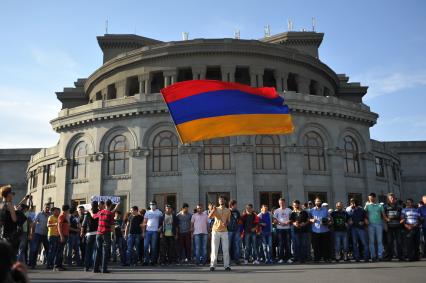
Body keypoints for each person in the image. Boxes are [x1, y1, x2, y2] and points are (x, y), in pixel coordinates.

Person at [91, 199, 118, 273]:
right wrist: (114, 235)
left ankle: (95, 268)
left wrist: (90, 211)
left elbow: (93, 216)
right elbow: (112, 226)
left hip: (98, 233)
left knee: (98, 251)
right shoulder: (110, 213)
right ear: (111, 205)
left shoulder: (101, 212)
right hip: (106, 234)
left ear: (105, 205)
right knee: (105, 252)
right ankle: (104, 269)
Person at [208, 195, 231, 271]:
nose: (221, 201)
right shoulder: (215, 209)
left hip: (224, 231)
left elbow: (228, 221)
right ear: (218, 201)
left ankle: (226, 266)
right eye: (219, 200)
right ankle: (212, 265)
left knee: (225, 249)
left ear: (225, 201)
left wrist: (226, 224)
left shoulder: (228, 210)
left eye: (222, 200)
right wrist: (213, 210)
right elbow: (209, 217)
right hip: (215, 231)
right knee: (214, 249)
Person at [364, 193, 386, 261]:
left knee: (379, 241)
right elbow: (364, 214)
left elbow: (383, 215)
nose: (370, 199)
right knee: (371, 241)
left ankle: (380, 256)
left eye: (371, 198)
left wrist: (387, 221)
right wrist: (365, 220)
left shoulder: (380, 205)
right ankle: (373, 256)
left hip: (379, 224)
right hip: (370, 225)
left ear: (374, 198)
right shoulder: (367, 205)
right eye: (369, 198)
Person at [309, 197, 332, 262]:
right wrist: (311, 220)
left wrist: (328, 220)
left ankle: (326, 258)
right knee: (316, 246)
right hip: (315, 231)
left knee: (325, 246)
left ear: (321, 202)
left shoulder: (325, 210)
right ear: (315, 202)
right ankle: (317, 258)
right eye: (317, 201)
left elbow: (330, 218)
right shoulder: (312, 210)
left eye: (319, 201)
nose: (318, 202)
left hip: (325, 230)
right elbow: (308, 219)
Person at [28, 203, 50, 269]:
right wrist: (31, 233)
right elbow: (33, 223)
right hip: (38, 234)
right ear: (43, 207)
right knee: (35, 249)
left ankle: (49, 264)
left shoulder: (50, 214)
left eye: (48, 207)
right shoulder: (39, 214)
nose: (47, 208)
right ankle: (32, 264)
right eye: (46, 207)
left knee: (48, 249)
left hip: (46, 234)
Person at [383, 193, 403, 261]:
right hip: (389, 227)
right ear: (388, 199)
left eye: (393, 198)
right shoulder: (385, 207)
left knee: (399, 242)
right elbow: (384, 216)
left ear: (395, 198)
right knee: (389, 242)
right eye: (390, 198)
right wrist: (385, 224)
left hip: (398, 227)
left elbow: (402, 216)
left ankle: (400, 257)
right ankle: (389, 257)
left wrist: (401, 221)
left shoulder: (399, 207)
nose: (392, 199)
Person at [142, 201, 163, 266]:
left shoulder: (159, 212)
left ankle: (153, 260)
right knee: (145, 247)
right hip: (148, 231)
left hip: (155, 231)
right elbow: (144, 222)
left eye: (153, 204)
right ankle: (146, 260)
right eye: (151, 204)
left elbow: (162, 222)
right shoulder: (147, 212)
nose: (152, 205)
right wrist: (143, 232)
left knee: (153, 247)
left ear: (156, 205)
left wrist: (160, 228)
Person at [273, 198, 292, 263]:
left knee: (288, 244)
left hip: (287, 228)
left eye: (283, 202)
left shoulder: (289, 210)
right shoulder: (276, 211)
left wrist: (287, 222)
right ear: (279, 203)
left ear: (285, 202)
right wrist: (280, 223)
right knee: (280, 244)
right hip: (279, 229)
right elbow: (274, 220)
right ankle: (280, 258)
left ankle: (288, 258)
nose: (281, 204)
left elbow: (292, 219)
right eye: (280, 203)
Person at [0, 185, 19, 252]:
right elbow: (14, 219)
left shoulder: (1, 205)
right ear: (8, 194)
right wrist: (16, 211)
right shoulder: (9, 205)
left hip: (3, 233)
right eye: (12, 193)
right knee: (10, 257)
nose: (12, 195)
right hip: (10, 234)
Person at [81, 201, 99, 271]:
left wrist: (82, 232)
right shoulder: (99, 212)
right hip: (97, 233)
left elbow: (84, 224)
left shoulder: (87, 213)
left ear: (91, 206)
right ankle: (95, 267)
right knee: (95, 250)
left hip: (89, 234)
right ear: (97, 205)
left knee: (88, 251)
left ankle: (86, 267)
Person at [53, 204, 70, 271]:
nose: (69, 211)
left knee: (61, 251)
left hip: (65, 235)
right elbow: (59, 226)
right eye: (68, 210)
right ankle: (56, 266)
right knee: (59, 251)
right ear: (67, 210)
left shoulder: (65, 216)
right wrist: (61, 236)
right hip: (61, 235)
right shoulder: (61, 216)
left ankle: (60, 265)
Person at [227, 200, 241, 265]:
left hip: (236, 230)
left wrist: (238, 227)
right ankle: (228, 260)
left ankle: (237, 260)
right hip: (228, 231)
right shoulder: (227, 211)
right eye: (235, 204)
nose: (236, 206)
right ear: (232, 205)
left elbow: (239, 220)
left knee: (236, 246)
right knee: (228, 246)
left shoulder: (237, 212)